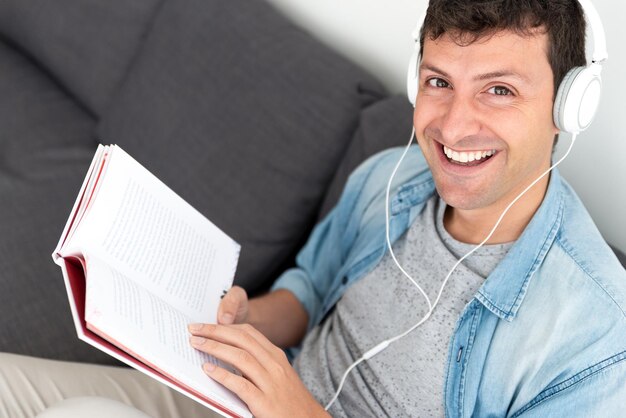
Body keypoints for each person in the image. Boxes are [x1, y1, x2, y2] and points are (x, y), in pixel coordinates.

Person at [1, 0, 625, 417]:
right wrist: (253, 317)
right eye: (439, 82)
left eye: (499, 90)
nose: (455, 125)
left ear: (569, 106)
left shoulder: (594, 340)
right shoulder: (392, 177)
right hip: (239, 398)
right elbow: (308, 288)